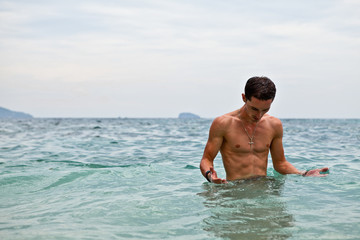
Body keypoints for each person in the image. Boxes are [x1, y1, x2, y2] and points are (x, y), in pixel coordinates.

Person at [200, 76, 329, 183]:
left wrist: (303, 173)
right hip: (237, 189)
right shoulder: (223, 123)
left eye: (265, 110)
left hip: (264, 188)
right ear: (244, 98)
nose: (259, 115)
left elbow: (280, 164)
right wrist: (209, 176)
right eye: (254, 109)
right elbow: (206, 159)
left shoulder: (274, 125)